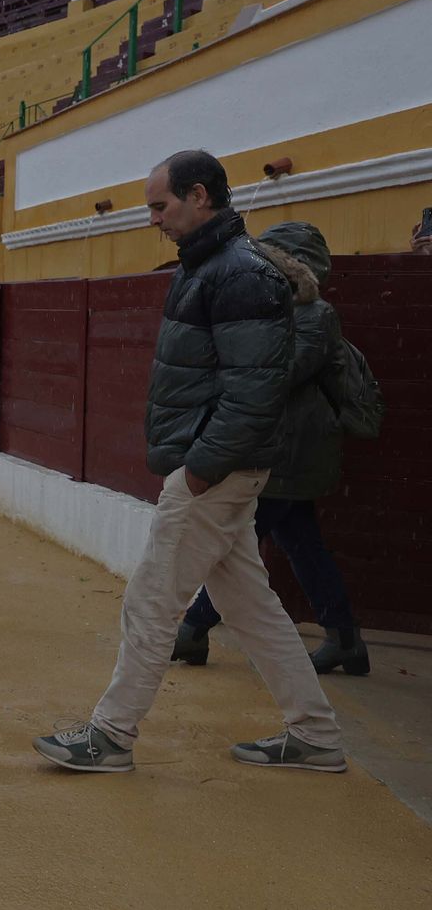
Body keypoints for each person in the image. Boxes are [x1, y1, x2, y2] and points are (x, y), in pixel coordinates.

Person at [33, 150, 346, 774]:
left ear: (199, 196)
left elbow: (254, 391)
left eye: (161, 205)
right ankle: (315, 734)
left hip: (216, 471)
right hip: (224, 466)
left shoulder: (237, 273)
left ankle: (111, 736)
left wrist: (202, 468)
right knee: (251, 609)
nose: (153, 218)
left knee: (152, 599)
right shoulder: (217, 265)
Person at [173, 222, 373, 675]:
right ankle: (345, 638)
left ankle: (193, 629)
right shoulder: (280, 309)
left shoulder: (315, 314)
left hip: (291, 451)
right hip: (283, 447)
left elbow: (279, 375)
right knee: (300, 544)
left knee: (233, 539)